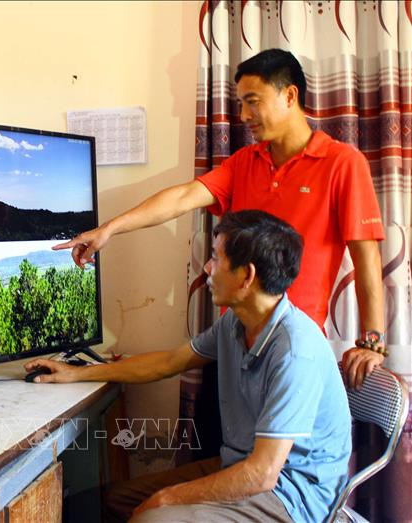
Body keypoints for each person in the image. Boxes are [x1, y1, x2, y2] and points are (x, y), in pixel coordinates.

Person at [54, 49, 386, 390]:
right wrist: (108, 230)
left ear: (290, 95)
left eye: (252, 102)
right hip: (236, 342)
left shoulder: (342, 163)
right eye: (241, 103)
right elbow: (182, 197)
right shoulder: (244, 162)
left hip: (291, 350)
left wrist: (372, 340)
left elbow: (367, 259)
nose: (243, 115)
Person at [28, 210, 351, 522]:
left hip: (291, 497)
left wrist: (167, 498)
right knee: (109, 503)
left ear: (247, 276)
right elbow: (170, 361)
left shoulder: (295, 352)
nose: (207, 268)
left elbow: (262, 474)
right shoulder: (235, 324)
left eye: (216, 258)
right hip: (239, 465)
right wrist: (78, 373)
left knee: (152, 518)